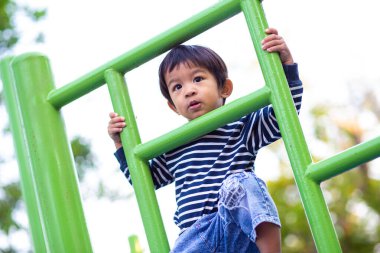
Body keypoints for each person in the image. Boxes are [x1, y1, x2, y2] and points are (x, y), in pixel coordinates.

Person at [108, 27, 303, 253]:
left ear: (225, 89)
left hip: (236, 230)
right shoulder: (172, 145)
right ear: (173, 106)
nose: (189, 91)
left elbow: (285, 115)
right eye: (177, 87)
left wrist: (287, 66)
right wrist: (120, 144)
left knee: (243, 182)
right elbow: (145, 181)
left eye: (198, 79)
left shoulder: (240, 127)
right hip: (194, 239)